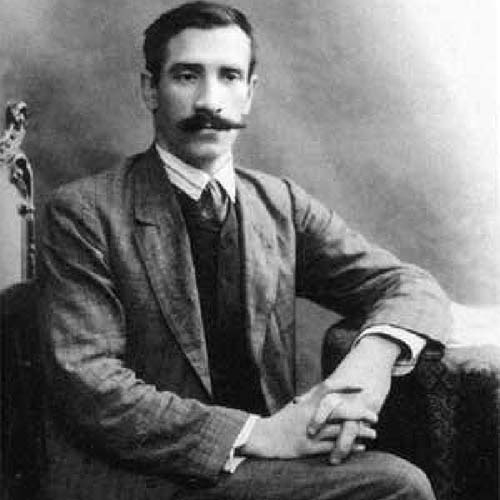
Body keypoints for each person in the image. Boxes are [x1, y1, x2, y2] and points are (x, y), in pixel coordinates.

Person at [38, 2, 451, 499]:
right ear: (150, 89)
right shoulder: (85, 212)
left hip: (266, 468)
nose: (209, 100)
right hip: (144, 474)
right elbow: (92, 388)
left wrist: (369, 366)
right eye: (187, 76)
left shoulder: (279, 204)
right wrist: (259, 434)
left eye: (229, 76)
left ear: (249, 93)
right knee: (397, 487)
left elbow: (407, 283)